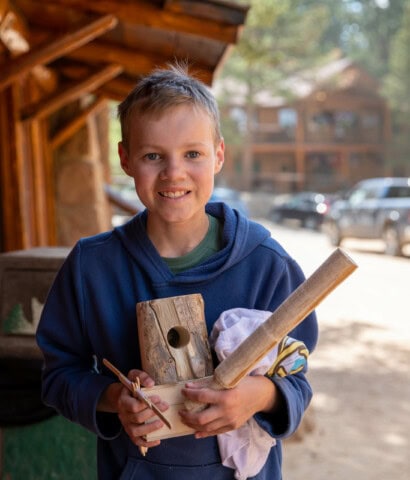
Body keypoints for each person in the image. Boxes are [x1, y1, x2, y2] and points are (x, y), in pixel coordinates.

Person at [36, 63, 318, 480]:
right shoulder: (91, 267)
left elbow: (297, 378)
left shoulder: (266, 265)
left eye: (192, 154)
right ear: (125, 158)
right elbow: (58, 378)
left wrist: (256, 396)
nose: (174, 173)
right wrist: (115, 398)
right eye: (153, 155)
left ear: (218, 154)